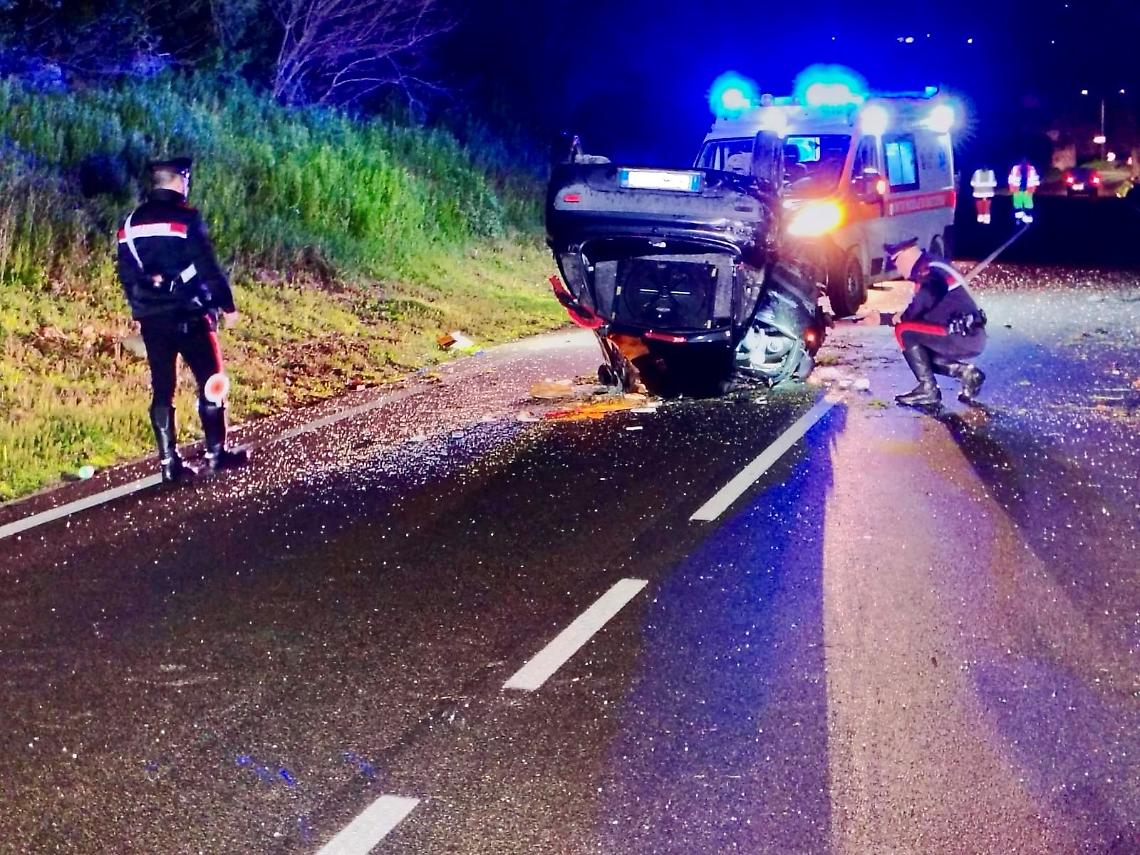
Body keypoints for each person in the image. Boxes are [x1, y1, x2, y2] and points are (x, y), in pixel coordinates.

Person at [116, 156, 249, 482]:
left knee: (163, 387)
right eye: (186, 179)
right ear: (179, 180)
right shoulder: (186, 218)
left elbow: (127, 275)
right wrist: (226, 306)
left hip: (153, 320)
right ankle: (217, 453)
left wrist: (142, 310)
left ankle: (168, 464)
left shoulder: (130, 224)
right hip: (189, 314)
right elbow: (206, 267)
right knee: (212, 380)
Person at [881, 237, 987, 410]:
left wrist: (896, 318)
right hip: (970, 333)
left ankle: (928, 390)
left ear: (906, 255)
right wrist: (881, 318)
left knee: (904, 331)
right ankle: (967, 374)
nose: (898, 269)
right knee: (919, 351)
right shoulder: (933, 266)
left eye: (897, 262)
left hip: (961, 336)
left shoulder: (931, 273)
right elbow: (921, 314)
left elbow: (919, 306)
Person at [1008, 157, 1039, 224]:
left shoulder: (1032, 169)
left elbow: (1035, 179)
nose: (1023, 162)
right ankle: (1019, 219)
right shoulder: (1015, 168)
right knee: (1018, 204)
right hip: (1017, 189)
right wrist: (1011, 187)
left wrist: (1035, 186)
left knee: (1028, 204)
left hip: (1028, 189)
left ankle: (1027, 220)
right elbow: (1011, 178)